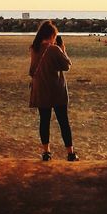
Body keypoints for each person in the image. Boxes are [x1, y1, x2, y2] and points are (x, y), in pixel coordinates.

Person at [29, 20, 78, 161]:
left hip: (40, 90)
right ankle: (70, 153)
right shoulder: (53, 49)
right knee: (63, 122)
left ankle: (46, 152)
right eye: (55, 36)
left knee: (44, 121)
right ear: (51, 35)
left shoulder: (34, 48)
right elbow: (67, 65)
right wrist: (63, 49)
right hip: (56, 90)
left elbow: (32, 70)